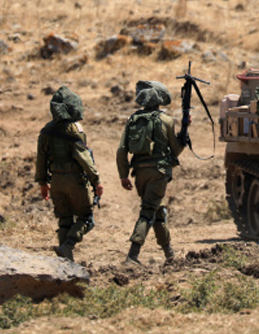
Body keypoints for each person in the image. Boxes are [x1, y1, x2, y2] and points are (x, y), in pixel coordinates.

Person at [117, 80, 185, 264]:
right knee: (148, 211)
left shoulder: (133, 119)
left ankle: (169, 254)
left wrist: (123, 175)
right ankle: (133, 254)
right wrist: (183, 138)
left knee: (157, 210)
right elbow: (175, 150)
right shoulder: (167, 121)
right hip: (159, 172)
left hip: (139, 173)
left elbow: (121, 150)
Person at [35, 86, 103, 260]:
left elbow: (41, 159)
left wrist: (43, 183)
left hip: (56, 181)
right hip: (75, 181)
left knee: (64, 219)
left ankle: (64, 261)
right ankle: (68, 246)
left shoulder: (45, 131)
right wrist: (96, 181)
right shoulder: (75, 130)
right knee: (86, 218)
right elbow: (84, 158)